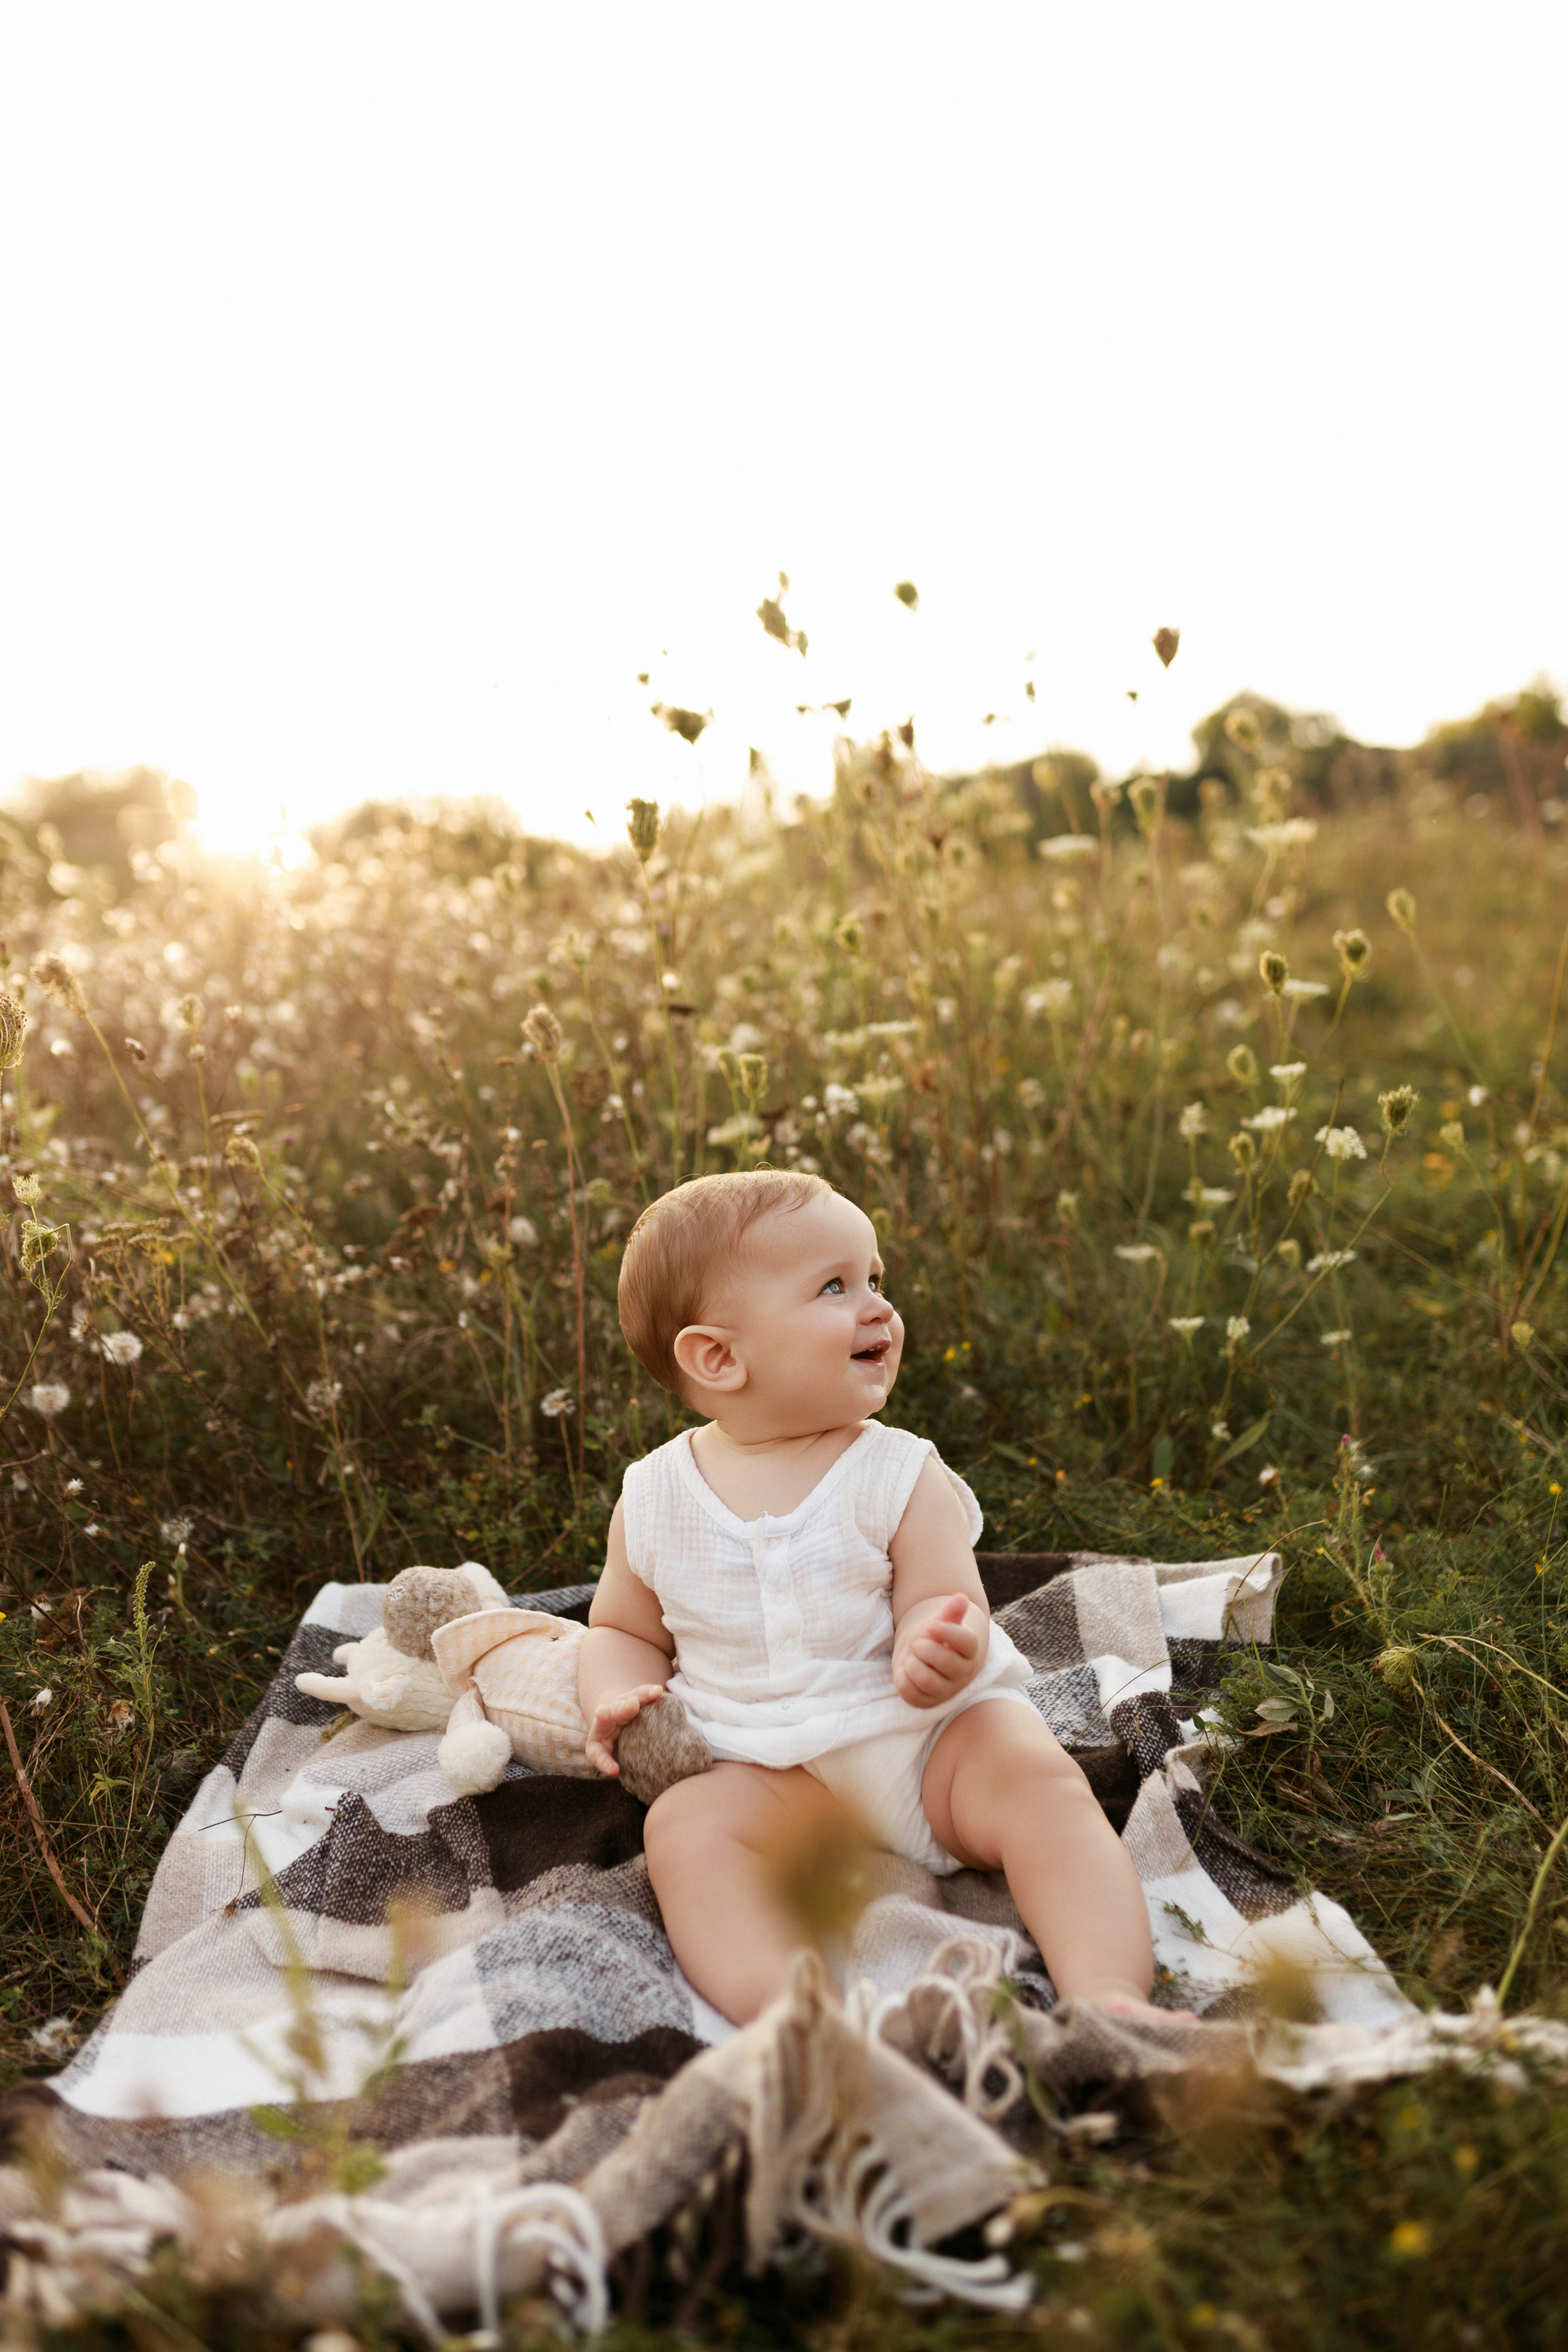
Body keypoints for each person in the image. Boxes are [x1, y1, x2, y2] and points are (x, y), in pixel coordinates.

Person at [578, 1168, 1166, 2027]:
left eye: (875, 1280)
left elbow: (946, 1593)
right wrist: (615, 1694)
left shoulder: (895, 1470)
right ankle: (796, 2016)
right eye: (834, 1287)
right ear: (718, 1356)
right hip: (769, 1771)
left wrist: (936, 1640)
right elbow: (619, 1627)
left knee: (1037, 1779)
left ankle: (1109, 1994)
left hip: (926, 1747)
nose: (878, 1308)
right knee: (686, 1827)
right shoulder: (657, 1496)